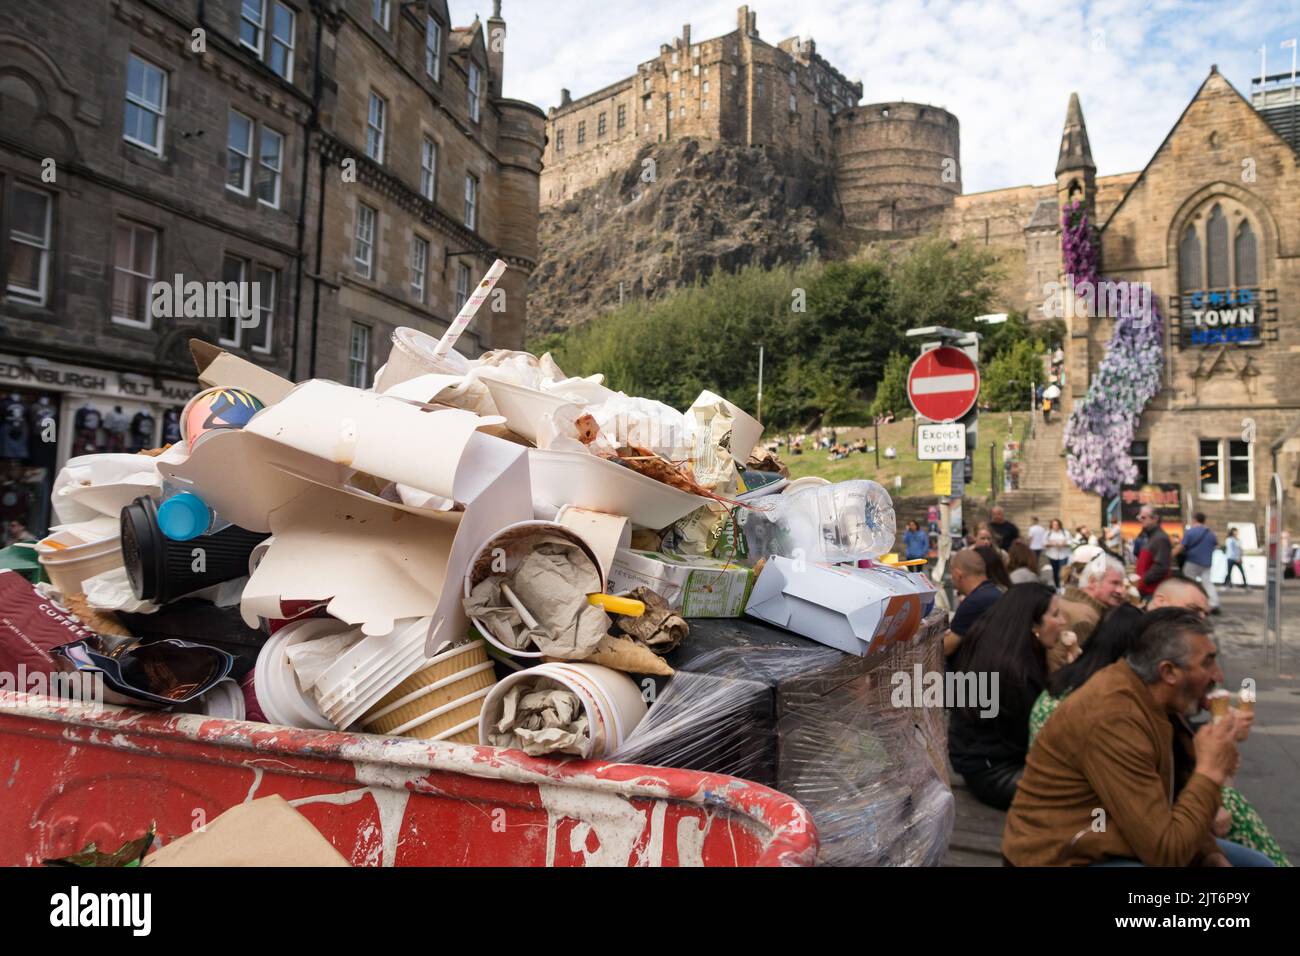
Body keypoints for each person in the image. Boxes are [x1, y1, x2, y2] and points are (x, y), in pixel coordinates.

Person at [1004, 610, 1272, 866]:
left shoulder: (1155, 699)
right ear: (1167, 672)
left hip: (1123, 838)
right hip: (1059, 856)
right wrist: (1210, 772)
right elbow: (1166, 853)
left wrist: (1208, 853)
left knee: (1257, 863)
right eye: (1208, 662)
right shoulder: (1114, 717)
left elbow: (1171, 801)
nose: (1219, 676)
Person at [949, 584, 1065, 810]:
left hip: (978, 760)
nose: (1062, 622)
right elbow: (1033, 737)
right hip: (995, 772)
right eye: (1055, 615)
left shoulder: (1002, 647)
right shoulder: (1014, 672)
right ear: (1033, 624)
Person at [1050, 553, 1128, 673]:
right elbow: (1088, 671)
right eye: (1114, 583)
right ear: (1093, 582)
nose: (1120, 591)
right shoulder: (1087, 618)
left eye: (1121, 585)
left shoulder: (1064, 602)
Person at [944, 549, 1004, 660]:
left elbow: (946, 648)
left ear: (958, 574)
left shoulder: (975, 602)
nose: (952, 580)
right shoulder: (995, 591)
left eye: (952, 575)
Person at [1175, 512, 1220, 615]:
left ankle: (1188, 602)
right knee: (1207, 583)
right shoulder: (1210, 533)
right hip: (1207, 562)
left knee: (1189, 581)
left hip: (1193, 561)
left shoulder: (1190, 532)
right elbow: (1215, 545)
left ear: (1194, 519)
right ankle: (1213, 603)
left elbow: (1181, 546)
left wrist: (1171, 554)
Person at [1135, 505, 1173, 600]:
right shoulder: (1150, 536)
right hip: (1147, 591)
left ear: (1155, 519)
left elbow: (1161, 567)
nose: (1140, 520)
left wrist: (1142, 580)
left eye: (1143, 517)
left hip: (1153, 593)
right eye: (1139, 517)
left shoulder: (1160, 538)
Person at [1043, 519, 1072, 589]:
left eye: (1057, 524)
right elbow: (1044, 543)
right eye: (1053, 524)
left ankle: (1063, 586)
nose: (1055, 526)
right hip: (1052, 555)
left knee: (1063, 572)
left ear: (1059, 525)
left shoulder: (1065, 532)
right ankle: (1057, 587)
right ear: (1051, 525)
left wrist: (1064, 544)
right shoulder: (1048, 533)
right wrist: (1051, 544)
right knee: (1055, 572)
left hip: (1064, 555)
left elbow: (1071, 542)